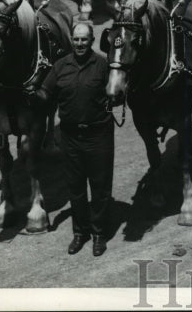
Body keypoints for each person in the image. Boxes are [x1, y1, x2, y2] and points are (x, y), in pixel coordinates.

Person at [33, 21, 113, 257]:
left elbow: (118, 91)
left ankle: (99, 234)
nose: (79, 44)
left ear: (91, 40)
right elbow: (45, 93)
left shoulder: (102, 65)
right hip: (70, 136)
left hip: (98, 135)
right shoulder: (59, 66)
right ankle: (80, 233)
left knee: (100, 187)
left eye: (84, 39)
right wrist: (31, 92)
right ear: (71, 40)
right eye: (76, 39)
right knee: (75, 188)